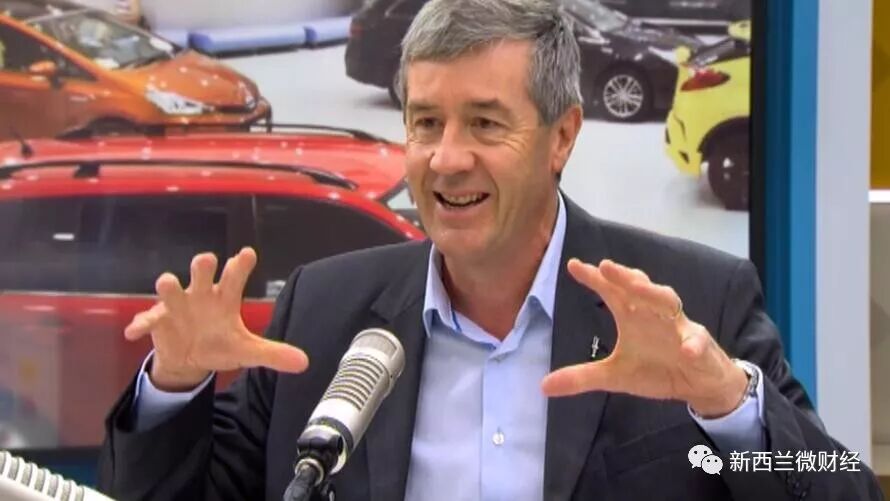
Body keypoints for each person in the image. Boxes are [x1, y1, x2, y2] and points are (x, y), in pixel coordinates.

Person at [97, 0, 883, 500]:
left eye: (484, 123)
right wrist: (175, 385)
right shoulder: (324, 312)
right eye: (426, 123)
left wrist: (727, 402)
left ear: (561, 137)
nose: (446, 159)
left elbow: (837, 489)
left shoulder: (693, 300)